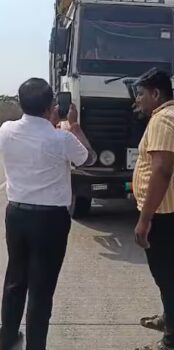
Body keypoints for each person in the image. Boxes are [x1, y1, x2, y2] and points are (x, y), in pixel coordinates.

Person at [0, 78, 95, 350]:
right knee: (41, 288)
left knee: (15, 280)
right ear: (51, 106)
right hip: (50, 220)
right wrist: (74, 126)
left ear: (21, 103)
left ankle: (7, 337)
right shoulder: (61, 138)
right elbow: (88, 159)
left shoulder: (6, 130)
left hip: (16, 214)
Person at [131, 68, 174, 350]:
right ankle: (168, 318)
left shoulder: (162, 120)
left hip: (164, 212)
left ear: (156, 93)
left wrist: (144, 219)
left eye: (141, 94)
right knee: (169, 272)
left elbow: (162, 170)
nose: (137, 99)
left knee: (167, 277)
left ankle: (172, 343)